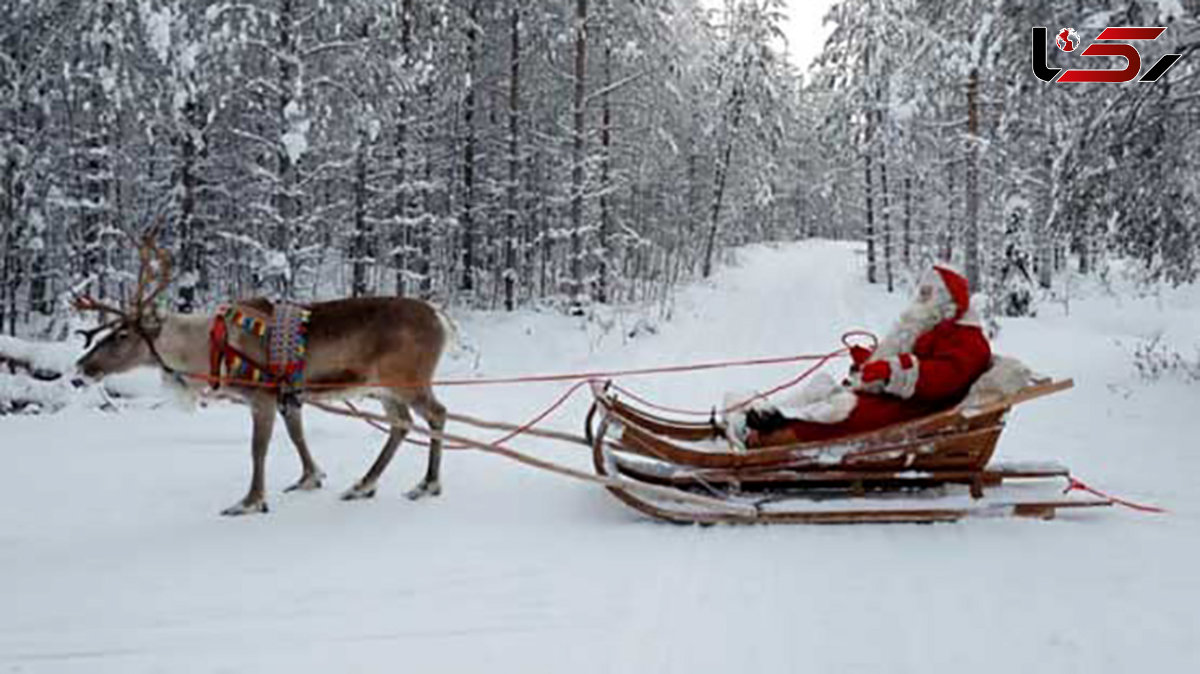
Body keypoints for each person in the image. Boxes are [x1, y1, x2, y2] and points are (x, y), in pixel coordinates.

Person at [743, 264, 993, 448]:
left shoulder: (967, 338)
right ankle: (769, 415)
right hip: (901, 398)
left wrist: (890, 370)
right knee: (824, 389)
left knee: (847, 412)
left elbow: (944, 378)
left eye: (927, 296)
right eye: (921, 294)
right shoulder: (936, 326)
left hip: (920, 410)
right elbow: (910, 359)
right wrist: (870, 362)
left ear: (946, 299)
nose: (920, 302)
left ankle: (774, 437)